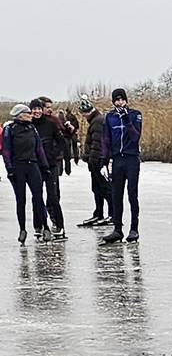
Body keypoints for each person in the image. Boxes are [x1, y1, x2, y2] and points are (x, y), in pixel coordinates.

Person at [100, 87, 143, 245]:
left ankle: (134, 229)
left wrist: (126, 120)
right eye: (117, 100)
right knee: (116, 195)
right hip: (117, 160)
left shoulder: (135, 114)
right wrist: (104, 161)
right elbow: (106, 140)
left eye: (122, 99)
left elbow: (135, 137)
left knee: (132, 194)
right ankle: (117, 229)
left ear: (126, 100)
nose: (120, 102)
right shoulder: (109, 117)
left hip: (131, 159)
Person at [3, 103, 49, 244]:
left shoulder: (32, 128)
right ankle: (22, 229)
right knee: (21, 200)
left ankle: (45, 228)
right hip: (18, 167)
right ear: (20, 115)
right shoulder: (10, 129)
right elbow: (6, 151)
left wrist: (45, 166)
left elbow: (39, 148)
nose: (31, 115)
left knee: (38, 197)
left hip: (33, 165)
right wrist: (10, 169)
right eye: (28, 113)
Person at [30, 100, 71, 239]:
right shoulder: (29, 126)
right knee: (36, 197)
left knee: (53, 196)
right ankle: (38, 225)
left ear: (42, 110)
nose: (37, 111)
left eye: (39, 109)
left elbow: (62, 142)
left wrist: (54, 155)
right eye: (34, 109)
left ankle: (59, 225)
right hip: (35, 166)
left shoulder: (50, 124)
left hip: (51, 165)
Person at [78, 97, 109, 226]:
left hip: (97, 162)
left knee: (104, 188)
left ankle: (111, 214)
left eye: (83, 113)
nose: (83, 116)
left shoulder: (97, 122)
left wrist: (92, 160)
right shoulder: (96, 120)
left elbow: (97, 144)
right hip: (95, 161)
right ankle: (99, 213)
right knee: (97, 188)